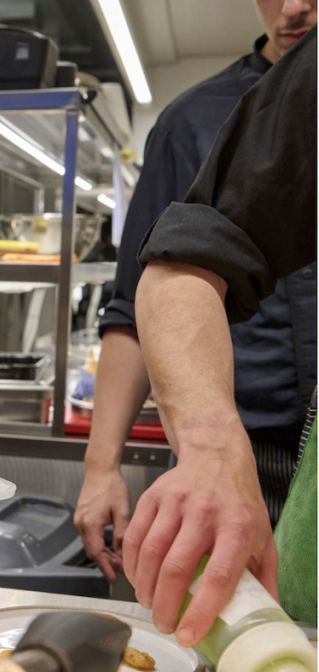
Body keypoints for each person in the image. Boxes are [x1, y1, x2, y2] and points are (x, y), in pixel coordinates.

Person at [75, 0, 316, 583]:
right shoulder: (190, 121)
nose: (293, 7)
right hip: (242, 453)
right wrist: (101, 464)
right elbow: (139, 298)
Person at [130, 27, 316, 643]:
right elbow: (175, 267)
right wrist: (208, 448)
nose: (295, 7)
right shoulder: (200, 117)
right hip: (252, 441)